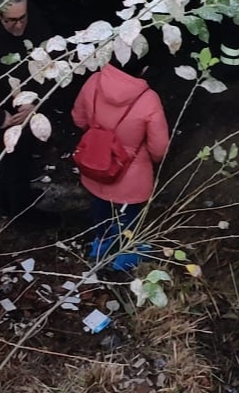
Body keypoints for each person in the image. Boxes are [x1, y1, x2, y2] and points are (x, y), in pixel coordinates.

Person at [71, 54, 170, 271]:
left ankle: (100, 245)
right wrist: (148, 158)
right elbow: (159, 147)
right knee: (130, 214)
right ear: (143, 69)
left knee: (100, 203)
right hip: (130, 171)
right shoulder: (148, 99)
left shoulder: (94, 82)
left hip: (95, 162)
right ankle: (125, 256)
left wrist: (98, 138)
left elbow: (78, 118)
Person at [0, 0, 57, 226]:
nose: (18, 25)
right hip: (2, 110)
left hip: (28, 103)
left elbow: (47, 61)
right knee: (17, 161)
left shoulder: (34, 24)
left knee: (19, 157)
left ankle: (8, 201)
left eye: (21, 19)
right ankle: (21, 215)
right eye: (10, 20)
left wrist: (35, 102)